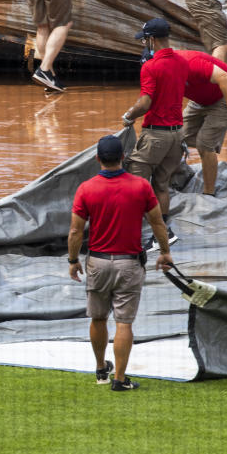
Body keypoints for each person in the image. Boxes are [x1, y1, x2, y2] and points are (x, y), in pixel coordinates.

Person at [68, 135, 174, 392]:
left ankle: (100, 369)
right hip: (129, 264)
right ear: (123, 158)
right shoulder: (141, 187)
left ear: (97, 159)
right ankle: (120, 379)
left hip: (98, 263)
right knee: (124, 323)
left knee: (98, 318)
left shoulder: (86, 188)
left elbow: (75, 232)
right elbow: (158, 223)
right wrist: (165, 252)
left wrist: (73, 261)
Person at [121, 18, 187, 250]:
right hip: (178, 135)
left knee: (133, 184)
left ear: (151, 39)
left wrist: (129, 115)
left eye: (145, 39)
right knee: (161, 185)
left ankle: (139, 235)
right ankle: (163, 233)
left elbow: (146, 102)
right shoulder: (181, 62)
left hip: (155, 136)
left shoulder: (150, 67)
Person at [175, 50, 227, 196]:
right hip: (201, 98)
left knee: (204, 144)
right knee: (176, 136)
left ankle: (209, 193)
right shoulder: (160, 73)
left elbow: (226, 78)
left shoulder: (190, 63)